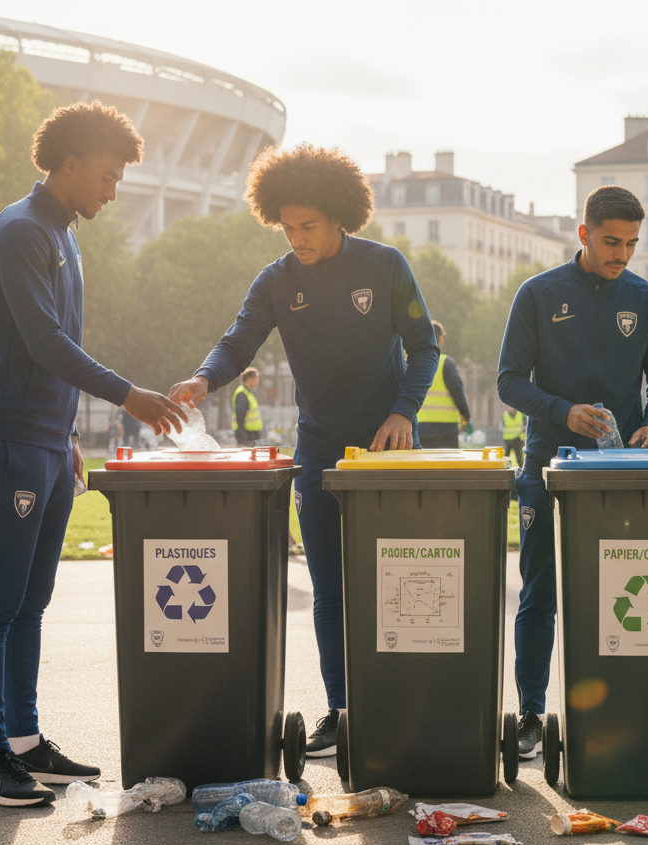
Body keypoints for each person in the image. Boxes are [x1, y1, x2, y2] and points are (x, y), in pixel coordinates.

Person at [169, 143, 438, 757]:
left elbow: (424, 348)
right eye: (287, 228)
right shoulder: (276, 279)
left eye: (307, 226)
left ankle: (396, 706)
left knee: (395, 582)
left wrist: (403, 412)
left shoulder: (387, 265)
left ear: (341, 213)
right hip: (317, 449)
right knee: (328, 589)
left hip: (387, 450)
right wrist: (203, 379)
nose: (297, 238)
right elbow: (238, 341)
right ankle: (340, 711)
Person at [0, 101, 187, 808]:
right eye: (109, 177)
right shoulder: (21, 231)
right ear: (68, 163)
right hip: (5, 439)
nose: (114, 191)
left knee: (32, 601)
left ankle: (26, 743)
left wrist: (69, 438)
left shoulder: (63, 234)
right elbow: (44, 343)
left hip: (47, 443)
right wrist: (129, 396)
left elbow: (56, 357)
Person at [498, 184, 648, 759]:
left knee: (618, 593)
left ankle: (616, 712)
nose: (620, 254)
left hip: (619, 471)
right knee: (540, 592)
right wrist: (561, 412)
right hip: (546, 465)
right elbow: (509, 380)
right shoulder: (538, 293)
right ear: (583, 234)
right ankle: (530, 713)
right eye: (609, 241)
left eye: (629, 244)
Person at [416, 320, 472, 449]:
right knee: (448, 468)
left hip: (420, 429)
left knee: (424, 468)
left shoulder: (414, 363)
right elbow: (458, 393)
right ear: (440, 339)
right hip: (446, 430)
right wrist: (466, 417)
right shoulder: (445, 363)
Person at [232, 366, 264, 446]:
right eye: (256, 378)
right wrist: (244, 438)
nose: (257, 381)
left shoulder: (248, 393)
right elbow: (240, 417)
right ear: (250, 379)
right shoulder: (242, 394)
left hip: (251, 435)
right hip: (246, 436)